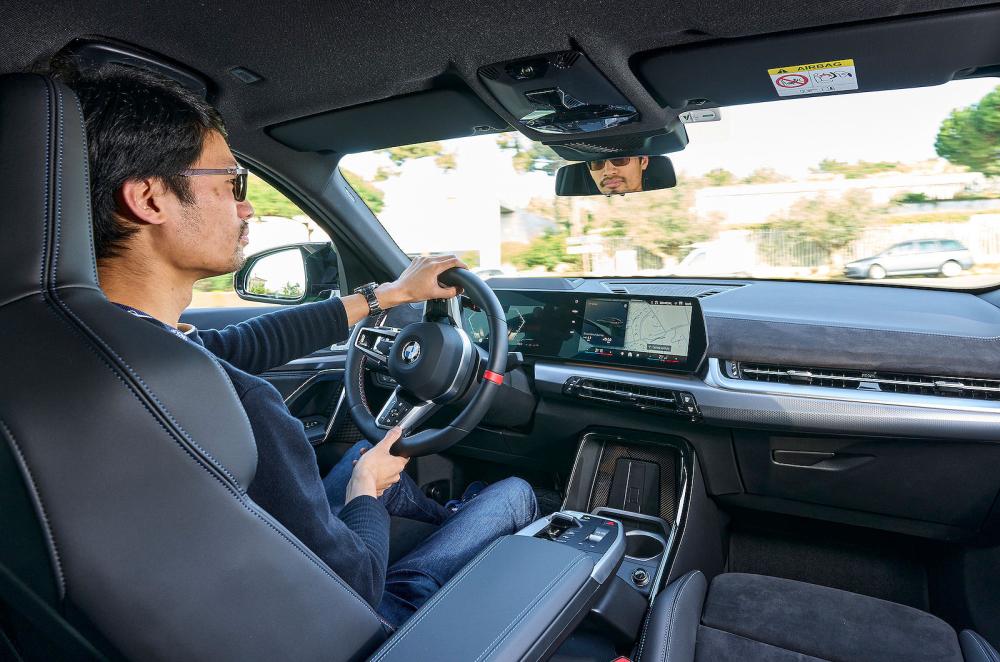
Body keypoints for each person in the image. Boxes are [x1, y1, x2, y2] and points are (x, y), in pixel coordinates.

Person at [62, 64, 538, 627]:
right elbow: (355, 585)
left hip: (218, 604)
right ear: (149, 198)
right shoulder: (243, 405)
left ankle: (422, 508)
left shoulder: (97, 344)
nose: (246, 207)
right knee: (513, 495)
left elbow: (237, 344)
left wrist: (386, 296)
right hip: (350, 624)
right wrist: (364, 495)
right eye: (230, 184)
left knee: (368, 454)